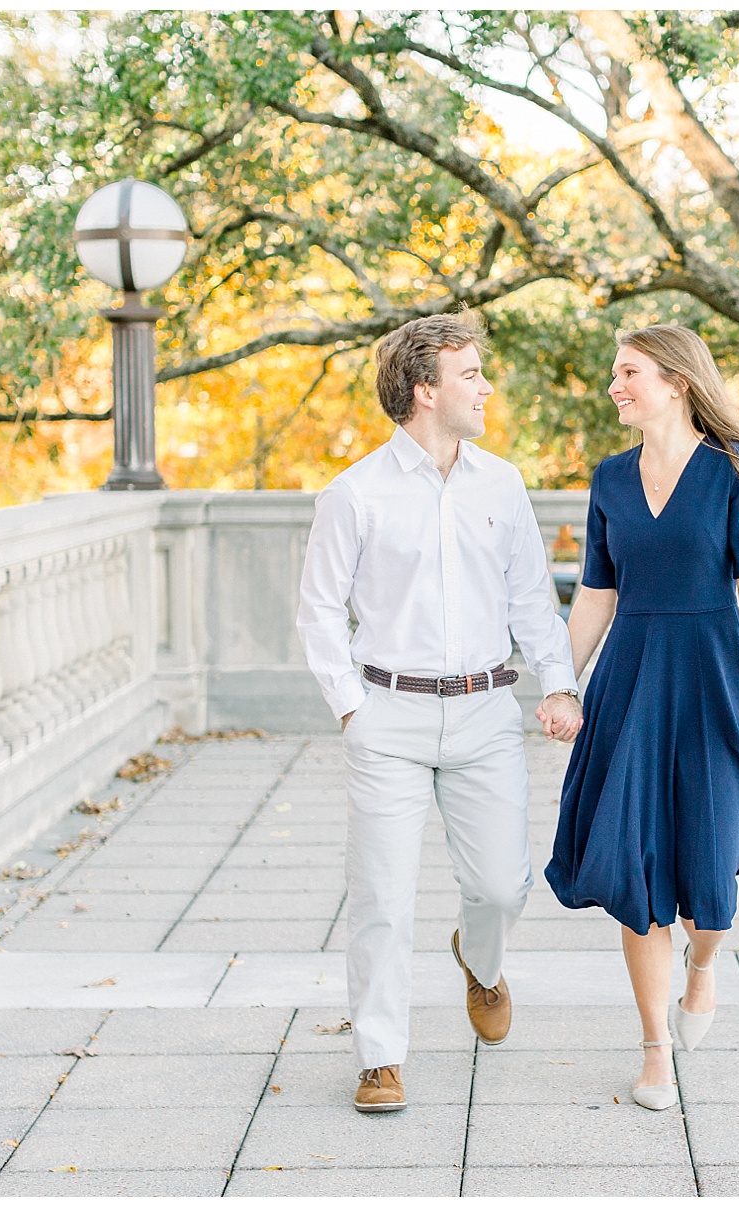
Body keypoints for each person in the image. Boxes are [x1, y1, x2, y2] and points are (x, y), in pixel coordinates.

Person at [298, 311, 583, 1114]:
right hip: (387, 714)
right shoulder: (353, 494)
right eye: (470, 375)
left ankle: (481, 961)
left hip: (487, 709)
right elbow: (318, 611)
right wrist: (354, 710)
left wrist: (557, 684)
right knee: (382, 894)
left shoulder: (503, 483)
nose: (485, 386)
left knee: (502, 887)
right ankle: (380, 1056)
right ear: (425, 389)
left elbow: (533, 598)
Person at [546, 324, 739, 1110]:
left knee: (710, 863)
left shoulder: (735, 470)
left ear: (676, 381)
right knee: (634, 863)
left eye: (627, 371)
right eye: (614, 372)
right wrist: (564, 684)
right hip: (630, 682)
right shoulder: (610, 479)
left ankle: (704, 967)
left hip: (713, 676)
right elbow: (597, 591)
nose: (614, 386)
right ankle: (653, 1049)